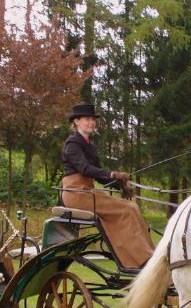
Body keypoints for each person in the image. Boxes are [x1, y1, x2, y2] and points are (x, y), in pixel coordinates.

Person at [60, 103, 154, 269]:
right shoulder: (72, 144)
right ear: (76, 122)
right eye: (87, 119)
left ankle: (149, 255)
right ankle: (140, 260)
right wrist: (113, 174)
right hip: (75, 193)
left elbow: (99, 176)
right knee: (126, 210)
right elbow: (85, 169)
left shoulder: (90, 145)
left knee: (132, 207)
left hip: (87, 191)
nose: (91, 122)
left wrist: (120, 185)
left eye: (93, 119)